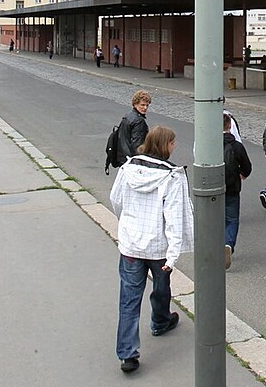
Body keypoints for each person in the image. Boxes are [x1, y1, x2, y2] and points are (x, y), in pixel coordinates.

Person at [110, 125, 194, 373]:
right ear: (165, 145)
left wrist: (126, 226)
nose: (175, 146)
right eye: (173, 142)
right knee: (161, 285)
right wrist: (173, 254)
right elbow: (175, 217)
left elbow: (116, 199)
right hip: (158, 248)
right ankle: (160, 320)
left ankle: (127, 354)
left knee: (128, 300)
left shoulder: (128, 168)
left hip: (132, 246)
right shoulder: (172, 176)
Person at [223, 113, 252, 269]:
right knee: (232, 219)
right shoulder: (237, 146)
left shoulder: (209, 143)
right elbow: (247, 166)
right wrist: (242, 173)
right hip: (233, 188)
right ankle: (228, 244)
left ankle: (216, 246)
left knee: (217, 219)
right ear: (230, 127)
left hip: (214, 188)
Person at [116, 90, 152, 166]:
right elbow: (137, 145)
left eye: (147, 105)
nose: (145, 108)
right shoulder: (139, 121)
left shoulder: (128, 116)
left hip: (123, 157)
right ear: (135, 104)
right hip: (132, 161)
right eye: (142, 105)